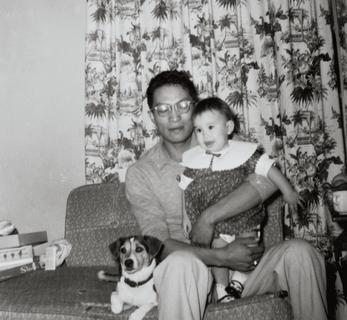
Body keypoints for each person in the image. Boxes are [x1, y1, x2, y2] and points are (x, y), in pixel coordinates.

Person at [125, 70, 328, 320]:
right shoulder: (141, 173)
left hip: (248, 272)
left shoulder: (225, 143)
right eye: (163, 108)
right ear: (152, 116)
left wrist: (208, 218)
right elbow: (158, 246)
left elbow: (266, 181)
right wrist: (222, 257)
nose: (174, 116)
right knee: (179, 264)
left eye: (183, 105)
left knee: (302, 252)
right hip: (190, 276)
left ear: (195, 106)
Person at [178, 96, 303, 302]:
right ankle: (221, 288)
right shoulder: (195, 161)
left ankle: (239, 280)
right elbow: (184, 188)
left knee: (248, 244)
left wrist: (288, 191)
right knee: (217, 247)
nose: (204, 135)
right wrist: (186, 217)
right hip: (216, 226)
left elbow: (270, 170)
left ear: (228, 127)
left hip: (244, 218)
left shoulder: (244, 153)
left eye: (210, 127)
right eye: (198, 130)